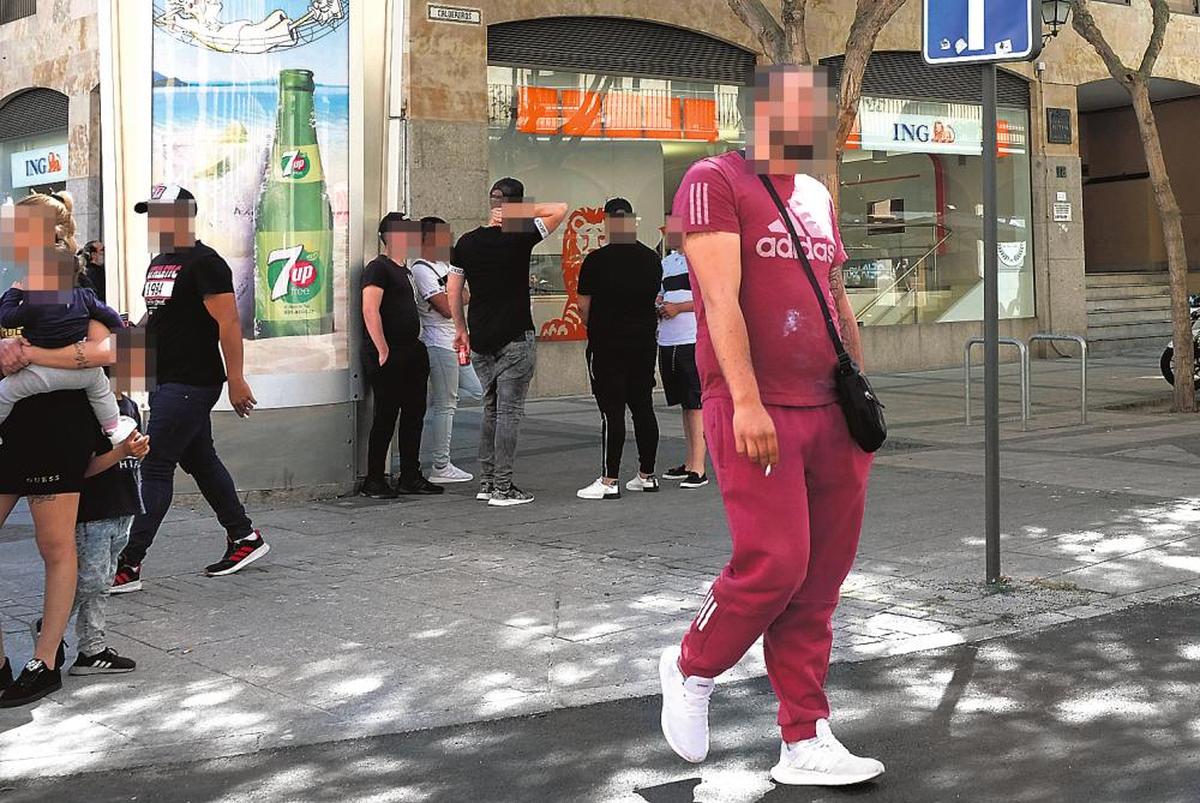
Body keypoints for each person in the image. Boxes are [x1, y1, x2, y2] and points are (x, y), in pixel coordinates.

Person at [658, 66, 883, 787]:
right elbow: (719, 300)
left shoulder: (817, 194)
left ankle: (804, 735)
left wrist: (861, 382)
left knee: (820, 582)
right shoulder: (712, 180)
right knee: (775, 564)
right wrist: (746, 400)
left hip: (831, 411)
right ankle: (692, 664)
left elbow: (835, 294)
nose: (805, 123)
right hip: (757, 407)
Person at [0, 192, 127, 706]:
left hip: (59, 428)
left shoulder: (79, 285)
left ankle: (46, 660)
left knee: (55, 548)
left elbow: (111, 352)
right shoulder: (12, 290)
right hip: (14, 422)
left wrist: (30, 351)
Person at [111, 185, 269, 594]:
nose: (155, 222)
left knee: (155, 464)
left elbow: (229, 323)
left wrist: (236, 378)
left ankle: (128, 565)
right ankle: (244, 536)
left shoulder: (206, 263)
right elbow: (157, 316)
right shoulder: (160, 262)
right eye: (151, 214)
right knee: (199, 459)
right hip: (167, 377)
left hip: (193, 380)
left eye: (162, 214)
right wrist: (129, 346)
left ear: (184, 216)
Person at [448, 178, 567, 507]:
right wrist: (521, 212)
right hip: (515, 335)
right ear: (517, 204)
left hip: (481, 338)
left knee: (491, 410)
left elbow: (453, 289)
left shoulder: (467, 243)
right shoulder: (521, 235)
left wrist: (460, 328)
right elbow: (560, 209)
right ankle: (503, 487)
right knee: (509, 413)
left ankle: (486, 482)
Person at [0, 248, 136, 444]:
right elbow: (110, 315)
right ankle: (113, 427)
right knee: (100, 387)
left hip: (38, 373)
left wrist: (14, 293)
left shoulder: (35, 302)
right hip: (80, 374)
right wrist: (121, 330)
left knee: (5, 392)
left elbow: (8, 318)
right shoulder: (85, 296)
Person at [574, 198, 662, 500]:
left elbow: (583, 307)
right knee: (643, 407)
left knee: (612, 412)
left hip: (607, 343)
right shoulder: (652, 259)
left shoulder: (596, 261)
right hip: (644, 343)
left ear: (608, 222)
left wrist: (597, 324)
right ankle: (646, 475)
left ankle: (610, 480)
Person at [359, 213, 443, 498]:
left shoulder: (405, 270)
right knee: (386, 415)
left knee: (414, 415)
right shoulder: (378, 268)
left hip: (411, 351)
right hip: (389, 353)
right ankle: (374, 479)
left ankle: (410, 474)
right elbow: (370, 309)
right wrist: (382, 348)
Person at [69, 391, 148, 675]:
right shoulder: (87, 407)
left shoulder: (128, 405)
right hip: (94, 509)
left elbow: (134, 456)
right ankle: (50, 624)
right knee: (90, 579)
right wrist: (122, 452)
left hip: (124, 505)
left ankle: (92, 649)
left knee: (103, 582)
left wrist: (138, 451)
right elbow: (81, 468)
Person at [410, 216, 482, 485]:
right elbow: (445, 305)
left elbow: (465, 295)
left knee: (476, 390)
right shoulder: (420, 269)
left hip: (455, 341)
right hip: (437, 343)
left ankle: (438, 394)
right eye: (443, 236)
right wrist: (454, 295)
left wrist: (454, 295)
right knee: (447, 404)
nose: (449, 241)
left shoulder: (446, 265)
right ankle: (441, 464)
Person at [657, 218, 708, 489]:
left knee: (695, 402)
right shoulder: (665, 263)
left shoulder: (700, 259)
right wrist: (661, 304)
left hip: (691, 338)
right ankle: (689, 460)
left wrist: (679, 308)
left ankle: (699, 467)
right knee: (684, 404)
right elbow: (661, 293)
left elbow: (707, 297)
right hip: (667, 339)